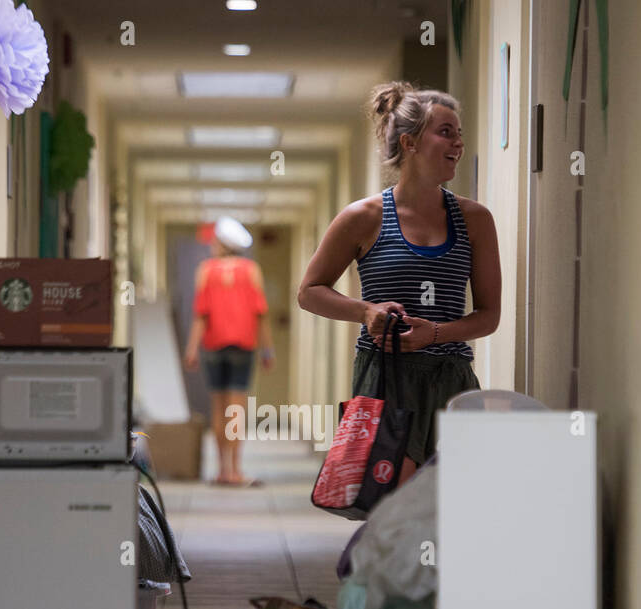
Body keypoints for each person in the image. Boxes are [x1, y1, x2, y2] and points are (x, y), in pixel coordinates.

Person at [297, 81, 501, 486]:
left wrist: (437, 333)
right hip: (386, 377)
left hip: (453, 378)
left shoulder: (475, 220)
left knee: (457, 508)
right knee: (394, 508)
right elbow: (309, 292)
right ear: (409, 143)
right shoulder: (364, 217)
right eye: (446, 132)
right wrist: (366, 311)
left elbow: (489, 315)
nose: (458, 143)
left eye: (459, 134)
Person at [183, 216, 276, 486]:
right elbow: (261, 314)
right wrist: (268, 350)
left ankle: (222, 470)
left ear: (222, 243)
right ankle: (235, 470)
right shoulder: (251, 270)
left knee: (217, 406)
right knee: (236, 408)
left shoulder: (205, 270)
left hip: (213, 345)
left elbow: (200, 314)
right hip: (243, 346)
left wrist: (191, 349)